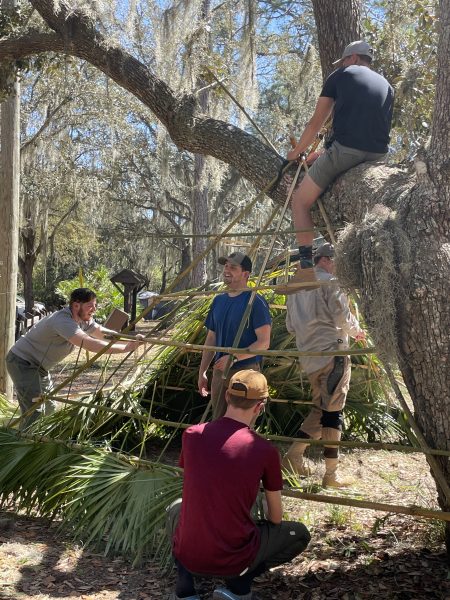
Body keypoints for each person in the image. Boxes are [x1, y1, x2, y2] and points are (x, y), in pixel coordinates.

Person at [167, 370, 311, 600]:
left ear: (226, 396)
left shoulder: (192, 435)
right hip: (234, 556)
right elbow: (275, 518)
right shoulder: (264, 450)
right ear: (260, 406)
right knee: (299, 534)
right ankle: (237, 587)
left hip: (190, 554)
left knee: (177, 507)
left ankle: (185, 589)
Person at [287, 40, 394, 285]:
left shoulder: (340, 75)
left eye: (345, 60)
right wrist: (318, 156)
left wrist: (296, 153)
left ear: (353, 58)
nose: (344, 64)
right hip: (378, 155)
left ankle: (305, 268)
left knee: (299, 201)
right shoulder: (387, 85)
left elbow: (316, 123)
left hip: (347, 152)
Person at [282, 243, 366, 487]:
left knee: (321, 408)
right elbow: (342, 316)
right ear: (327, 260)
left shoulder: (295, 287)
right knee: (333, 412)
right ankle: (331, 474)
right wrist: (357, 331)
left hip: (308, 357)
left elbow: (289, 326)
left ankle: (293, 457)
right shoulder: (330, 282)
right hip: (332, 353)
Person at [6, 287, 141, 428]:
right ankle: (26, 443)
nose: (94, 309)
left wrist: (130, 340)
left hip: (40, 368)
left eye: (95, 305)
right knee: (34, 410)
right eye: (90, 306)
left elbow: (102, 332)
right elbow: (90, 343)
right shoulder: (63, 321)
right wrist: (126, 348)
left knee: (50, 406)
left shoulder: (83, 319)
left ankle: (37, 437)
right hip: (22, 363)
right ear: (76, 305)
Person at [198, 252, 271, 420]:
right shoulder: (219, 301)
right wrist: (202, 371)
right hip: (219, 371)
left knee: (240, 426)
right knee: (218, 421)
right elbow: (211, 338)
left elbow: (264, 342)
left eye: (233, 267)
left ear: (245, 274)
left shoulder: (255, 301)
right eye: (225, 266)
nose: (227, 270)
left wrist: (235, 357)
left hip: (246, 372)